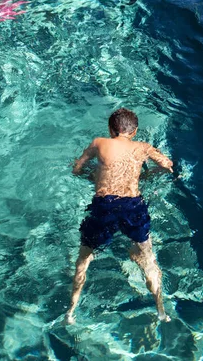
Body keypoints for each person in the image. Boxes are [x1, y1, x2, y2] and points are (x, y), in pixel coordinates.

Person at [66, 108, 173, 325]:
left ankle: (71, 312)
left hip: (105, 206)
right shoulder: (143, 147)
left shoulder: (98, 142)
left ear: (110, 129)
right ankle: (161, 311)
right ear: (134, 132)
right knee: (148, 258)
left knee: (84, 258)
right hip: (134, 205)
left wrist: (94, 178)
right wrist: (145, 176)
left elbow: (76, 169)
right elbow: (167, 165)